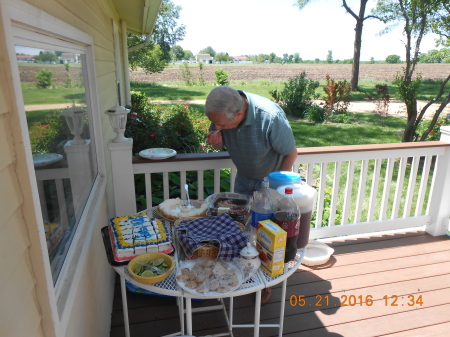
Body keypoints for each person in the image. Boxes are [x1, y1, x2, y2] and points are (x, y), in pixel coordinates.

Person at [205, 86, 297, 303]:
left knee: (266, 236)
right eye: (215, 123)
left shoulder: (270, 117)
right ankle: (243, 273)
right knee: (242, 229)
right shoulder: (222, 111)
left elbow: (291, 153)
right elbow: (222, 137)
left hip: (270, 184)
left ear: (239, 114)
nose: (216, 127)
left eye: (221, 125)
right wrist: (219, 142)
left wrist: (274, 188)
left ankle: (265, 283)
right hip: (244, 178)